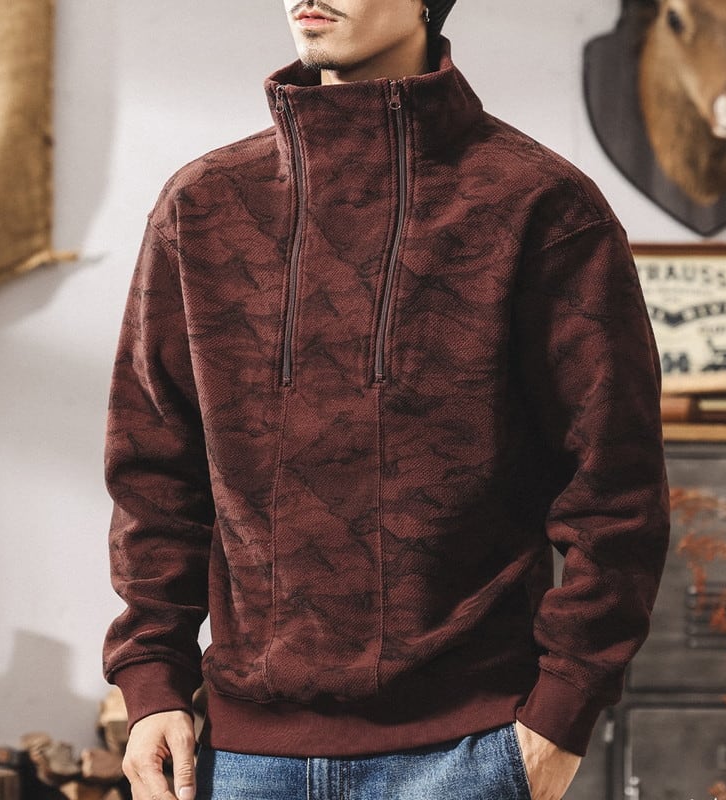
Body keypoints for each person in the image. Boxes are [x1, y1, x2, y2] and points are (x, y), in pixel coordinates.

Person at [102, 2, 671, 799]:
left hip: (469, 754)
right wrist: (152, 679)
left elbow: (616, 484)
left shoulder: (539, 205)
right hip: (240, 758)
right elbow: (155, 470)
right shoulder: (202, 207)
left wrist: (560, 717)